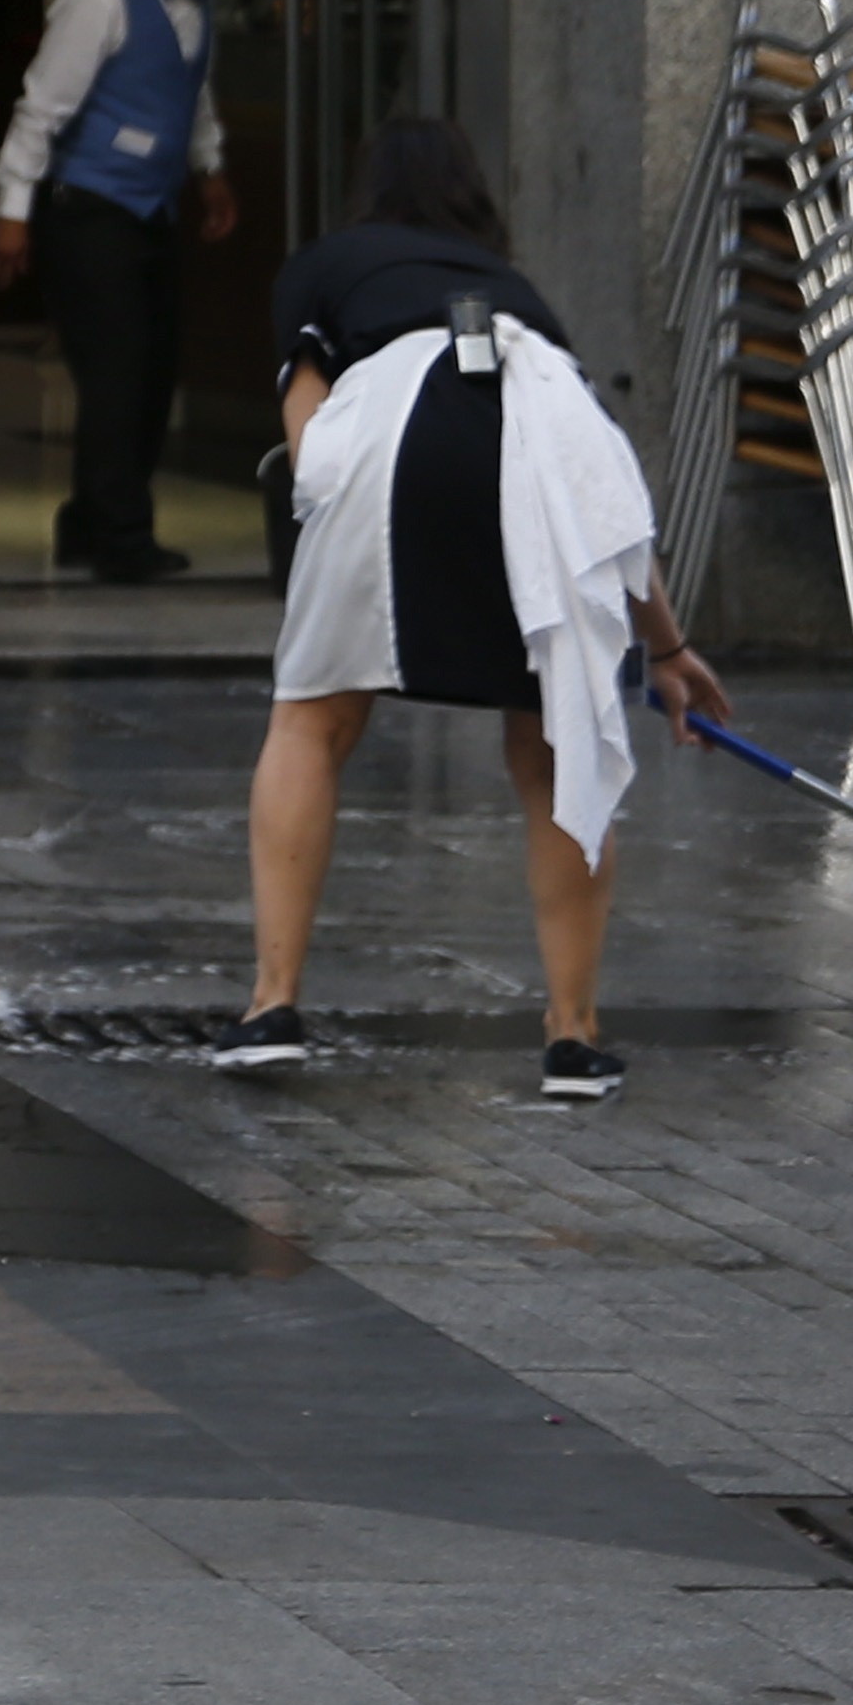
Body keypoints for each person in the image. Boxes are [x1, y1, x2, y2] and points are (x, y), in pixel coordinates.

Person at [218, 116, 728, 1100]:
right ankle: (573, 1035)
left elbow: (314, 440)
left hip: (393, 447)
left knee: (314, 716)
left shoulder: (324, 267)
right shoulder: (520, 297)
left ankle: (272, 1003)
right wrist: (667, 649)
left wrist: (338, 534)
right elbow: (597, 484)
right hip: (538, 461)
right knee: (555, 745)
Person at [0, 0, 238, 582]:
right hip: (87, 210)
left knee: (151, 373)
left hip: (149, 210)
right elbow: (40, 109)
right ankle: (122, 537)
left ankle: (88, 522)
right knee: (117, 372)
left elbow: (194, 93)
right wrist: (12, 212)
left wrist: (209, 170)